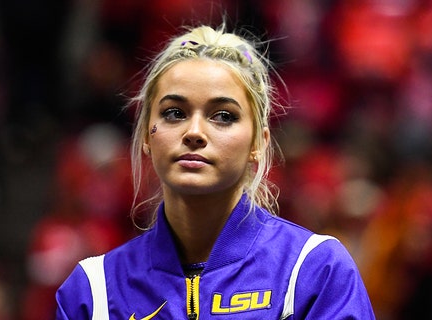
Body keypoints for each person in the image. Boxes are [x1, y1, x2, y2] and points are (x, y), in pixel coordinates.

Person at [55, 24, 375, 319]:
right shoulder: (93, 292)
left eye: (223, 116)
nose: (194, 132)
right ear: (145, 137)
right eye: (174, 113)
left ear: (259, 143)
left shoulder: (314, 270)